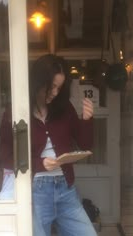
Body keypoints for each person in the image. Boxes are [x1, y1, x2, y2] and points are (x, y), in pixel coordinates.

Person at [30, 54, 97, 236]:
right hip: (35, 189)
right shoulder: (19, 109)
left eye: (59, 87)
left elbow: (85, 144)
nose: (55, 92)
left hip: (65, 187)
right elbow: (8, 156)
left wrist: (86, 119)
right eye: (51, 86)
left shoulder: (64, 107)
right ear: (38, 82)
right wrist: (40, 163)